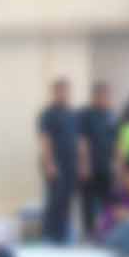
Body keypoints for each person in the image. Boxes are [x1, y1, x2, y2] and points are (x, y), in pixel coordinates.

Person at [38, 79, 79, 243]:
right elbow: (45, 139)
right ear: (55, 92)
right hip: (55, 163)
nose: (63, 94)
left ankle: (64, 234)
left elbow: (79, 140)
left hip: (71, 162)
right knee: (54, 199)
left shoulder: (72, 114)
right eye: (60, 90)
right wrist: (49, 164)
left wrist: (82, 164)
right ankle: (49, 235)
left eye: (66, 90)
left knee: (67, 199)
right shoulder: (48, 114)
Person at [78, 82, 117, 238]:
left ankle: (106, 232)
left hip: (106, 166)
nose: (105, 98)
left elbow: (115, 141)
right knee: (88, 202)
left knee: (108, 201)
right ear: (94, 96)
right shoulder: (85, 114)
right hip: (90, 166)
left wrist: (117, 165)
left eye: (107, 95)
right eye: (102, 95)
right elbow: (82, 141)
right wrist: (84, 165)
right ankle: (89, 233)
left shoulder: (111, 115)